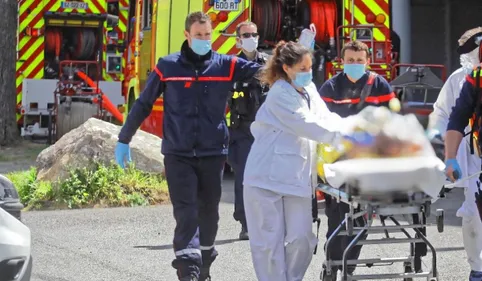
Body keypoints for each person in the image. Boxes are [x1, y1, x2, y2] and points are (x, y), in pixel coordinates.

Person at [114, 11, 262, 281]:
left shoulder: (225, 65)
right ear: (187, 35)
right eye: (199, 35)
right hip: (178, 153)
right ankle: (188, 270)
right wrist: (125, 138)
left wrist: (300, 51)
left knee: (209, 214)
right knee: (186, 212)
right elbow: (144, 103)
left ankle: (204, 263)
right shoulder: (167, 67)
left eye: (208, 35)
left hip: (213, 153)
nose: (204, 40)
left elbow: (267, 71)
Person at [242, 40, 360, 281]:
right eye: (303, 68)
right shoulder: (278, 94)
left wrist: (354, 128)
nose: (308, 73)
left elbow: (326, 117)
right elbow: (308, 125)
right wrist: (348, 137)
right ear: (287, 68)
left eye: (310, 67)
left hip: (297, 178)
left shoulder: (309, 90)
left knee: (303, 239)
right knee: (268, 246)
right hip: (265, 180)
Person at [318, 40, 396, 278]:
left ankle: (349, 268)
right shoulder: (330, 88)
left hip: (367, 161)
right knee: (337, 219)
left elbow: (392, 121)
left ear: (367, 62)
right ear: (342, 61)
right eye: (350, 60)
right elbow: (320, 125)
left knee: (360, 221)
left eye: (359, 61)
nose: (355, 65)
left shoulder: (379, 85)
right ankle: (332, 265)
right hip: (337, 163)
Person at [441, 27, 482, 281]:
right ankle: (478, 268)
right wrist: (449, 157)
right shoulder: (473, 78)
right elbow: (453, 118)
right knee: (473, 214)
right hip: (475, 155)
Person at [227, 21, 269, 241]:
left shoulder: (269, 64)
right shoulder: (232, 65)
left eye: (254, 34)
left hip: (266, 131)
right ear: (238, 39)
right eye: (246, 34)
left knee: (267, 177)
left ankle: (265, 221)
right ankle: (245, 223)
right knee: (244, 176)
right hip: (241, 130)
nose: (251, 38)